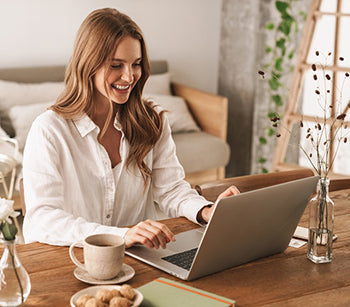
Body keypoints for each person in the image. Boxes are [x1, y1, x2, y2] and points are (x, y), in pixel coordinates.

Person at [22, 8, 239, 248]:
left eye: (136, 64)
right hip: (72, 261)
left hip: (141, 259)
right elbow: (42, 219)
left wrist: (206, 210)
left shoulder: (152, 122)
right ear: (88, 64)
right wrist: (120, 235)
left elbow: (170, 189)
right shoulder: (50, 130)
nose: (129, 77)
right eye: (116, 65)